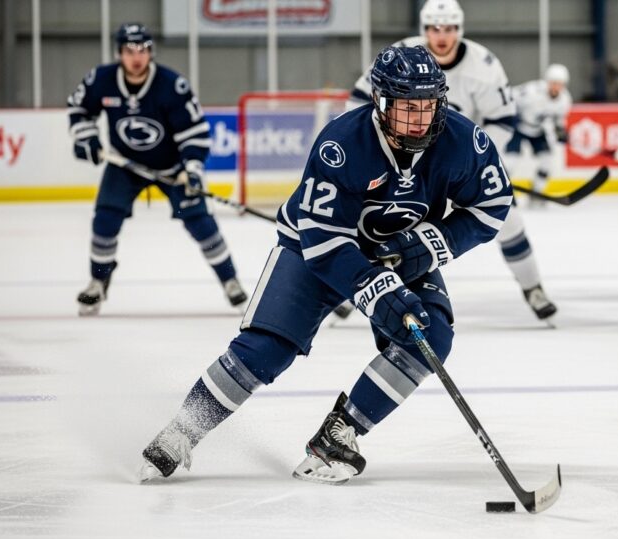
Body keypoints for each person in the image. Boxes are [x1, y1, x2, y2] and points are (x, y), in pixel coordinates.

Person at [138, 45, 513, 484]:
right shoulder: (343, 144)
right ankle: (183, 429)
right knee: (265, 350)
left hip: (398, 248)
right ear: (381, 102)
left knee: (430, 335)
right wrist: (372, 286)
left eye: (428, 105)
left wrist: (429, 245)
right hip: (316, 248)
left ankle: (339, 434)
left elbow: (493, 204)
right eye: (408, 107)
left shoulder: (462, 141)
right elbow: (323, 241)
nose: (420, 119)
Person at [340, 0, 558, 323]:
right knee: (374, 221)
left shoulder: (483, 66)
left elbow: (502, 120)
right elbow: (360, 102)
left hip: (458, 164)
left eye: (449, 28)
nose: (441, 35)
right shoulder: (400, 56)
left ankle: (533, 288)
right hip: (398, 159)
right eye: (434, 28)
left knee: (507, 219)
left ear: (460, 29)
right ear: (424, 29)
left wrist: (474, 166)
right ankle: (348, 291)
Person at [68, 23, 247, 316]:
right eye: (129, 50)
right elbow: (79, 110)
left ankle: (230, 281)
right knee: (105, 219)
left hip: (172, 167)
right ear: (120, 52)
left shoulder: (172, 86)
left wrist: (191, 169)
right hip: (124, 165)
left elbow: (194, 132)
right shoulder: (101, 80)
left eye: (143, 50)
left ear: (151, 52)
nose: (136, 57)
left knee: (201, 223)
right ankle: (98, 282)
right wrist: (86, 137)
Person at [506, 63, 573, 208]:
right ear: (547, 82)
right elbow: (508, 96)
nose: (556, 87)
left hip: (537, 130)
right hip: (518, 128)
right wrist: (512, 115)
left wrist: (560, 131)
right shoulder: (531, 91)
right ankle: (503, 194)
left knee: (547, 162)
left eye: (560, 84)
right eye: (553, 83)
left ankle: (536, 194)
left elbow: (558, 120)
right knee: (509, 162)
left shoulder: (565, 99)